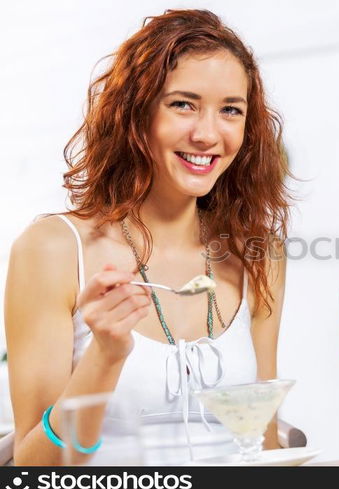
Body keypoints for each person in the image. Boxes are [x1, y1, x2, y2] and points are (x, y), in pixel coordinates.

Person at [4, 9, 290, 465]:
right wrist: (106, 355)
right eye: (183, 104)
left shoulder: (257, 254)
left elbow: (264, 441)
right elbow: (34, 471)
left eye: (230, 110)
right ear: (135, 113)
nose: (207, 134)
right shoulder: (53, 250)